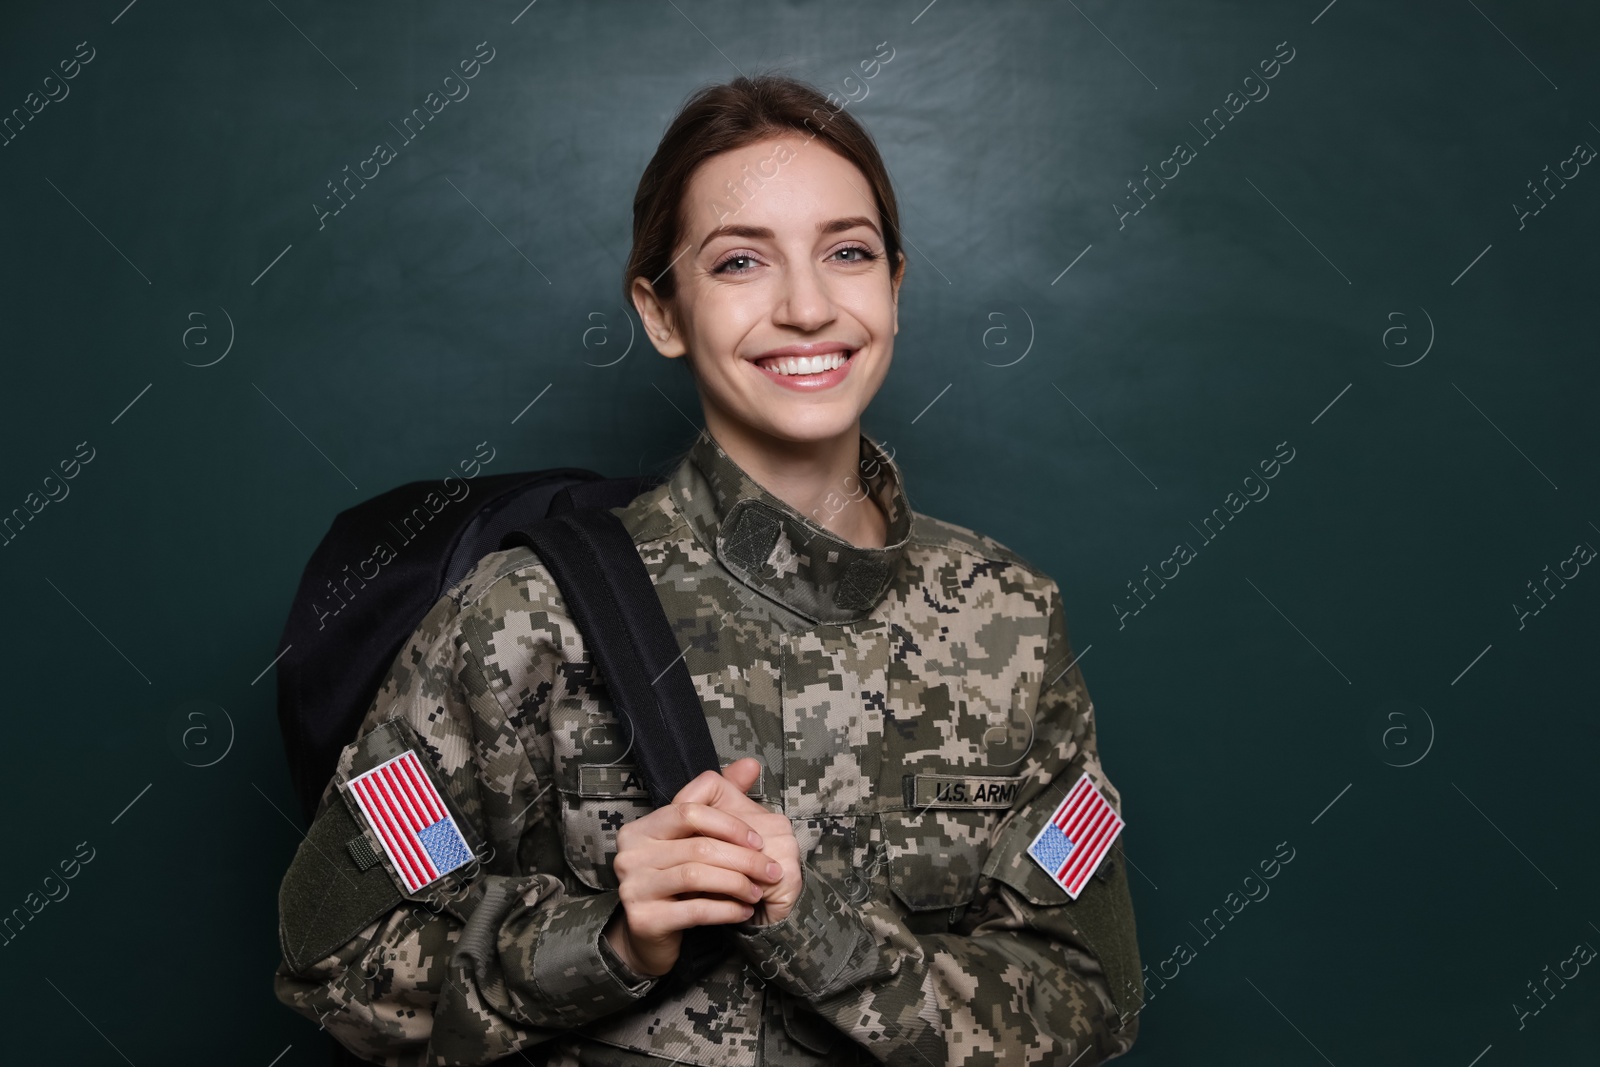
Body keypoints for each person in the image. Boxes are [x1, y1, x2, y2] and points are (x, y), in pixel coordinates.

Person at [274, 71, 1143, 1065]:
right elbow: (335, 959)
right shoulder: (526, 611)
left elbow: (1090, 995)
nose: (807, 305)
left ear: (894, 288)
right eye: (739, 262)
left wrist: (815, 926)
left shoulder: (1013, 621)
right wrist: (605, 939)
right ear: (661, 310)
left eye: (847, 252)